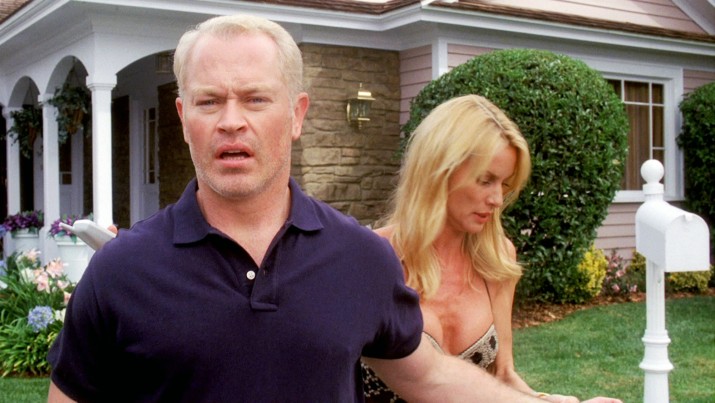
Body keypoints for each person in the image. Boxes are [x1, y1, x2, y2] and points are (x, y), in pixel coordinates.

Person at [47, 14, 622, 403]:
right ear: (182, 117)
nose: (231, 121)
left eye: (255, 99)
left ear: (297, 114)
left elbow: (428, 375)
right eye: (209, 101)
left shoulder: (360, 258)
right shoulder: (121, 271)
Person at [360, 95, 587, 402]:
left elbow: (503, 376)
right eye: (485, 180)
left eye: (504, 184)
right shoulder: (370, 256)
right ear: (439, 170)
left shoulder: (497, 259)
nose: (497, 199)